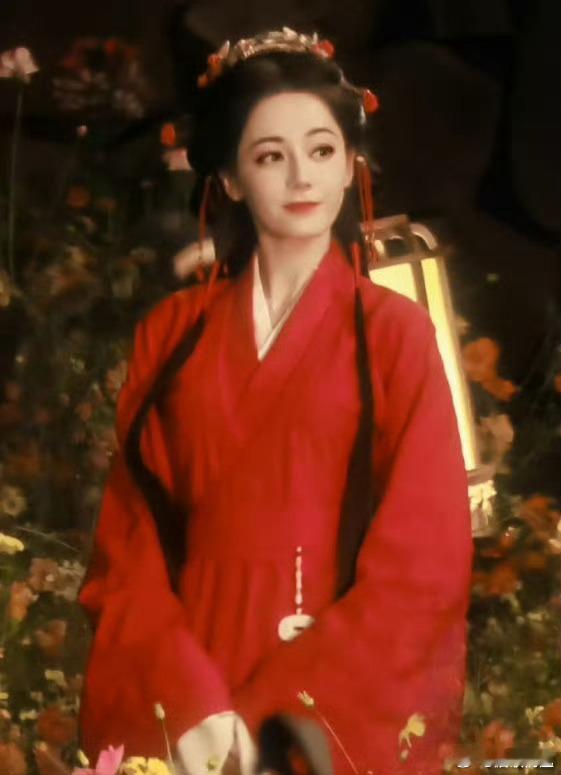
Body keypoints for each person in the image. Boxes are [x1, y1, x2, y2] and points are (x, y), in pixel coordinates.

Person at [78, 28, 474, 775]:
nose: (301, 177)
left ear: (350, 164)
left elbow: (424, 559)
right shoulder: (172, 334)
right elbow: (128, 548)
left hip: (329, 686)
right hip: (192, 684)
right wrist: (189, 702)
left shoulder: (393, 333)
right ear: (229, 178)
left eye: (321, 151)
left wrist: (282, 708)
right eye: (269, 156)